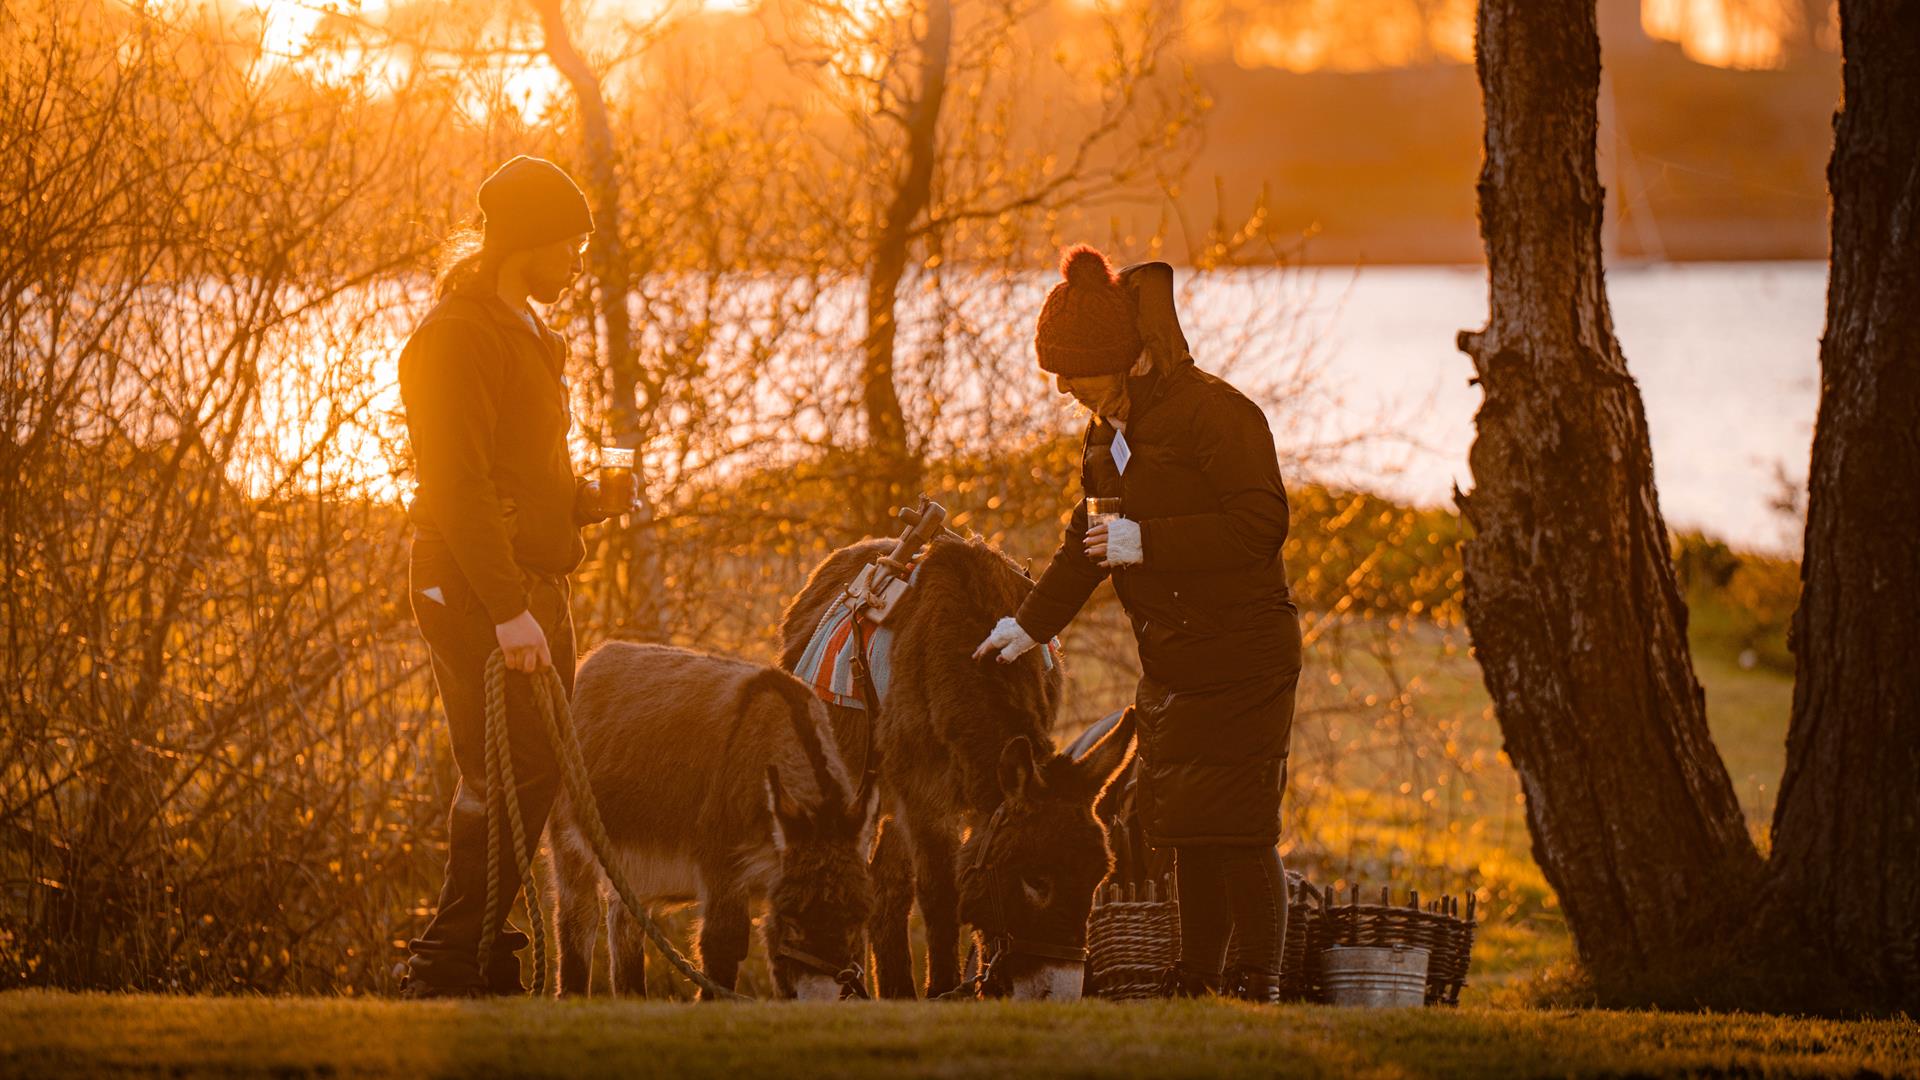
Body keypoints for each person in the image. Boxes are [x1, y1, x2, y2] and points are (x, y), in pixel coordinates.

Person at [973, 246, 1303, 1001]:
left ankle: (1259, 984)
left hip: (1246, 653)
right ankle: (1198, 980)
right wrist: (1027, 627)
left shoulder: (1218, 414)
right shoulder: (1103, 436)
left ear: (1129, 358)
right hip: (1175, 661)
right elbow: (1084, 545)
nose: (1066, 391)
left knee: (1241, 827)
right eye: (1057, 377)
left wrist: (1149, 541)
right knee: (1185, 825)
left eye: (1077, 376)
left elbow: (1261, 523)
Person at [394, 155, 628, 998]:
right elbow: (455, 484)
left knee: (518, 767)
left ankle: (475, 951)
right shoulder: (456, 335)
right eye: (567, 247)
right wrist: (504, 611)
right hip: (471, 584)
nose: (576, 265)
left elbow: (521, 474)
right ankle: (450, 958)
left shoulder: (530, 335)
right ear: (523, 243)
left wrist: (585, 502)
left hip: (526, 584)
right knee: (514, 766)